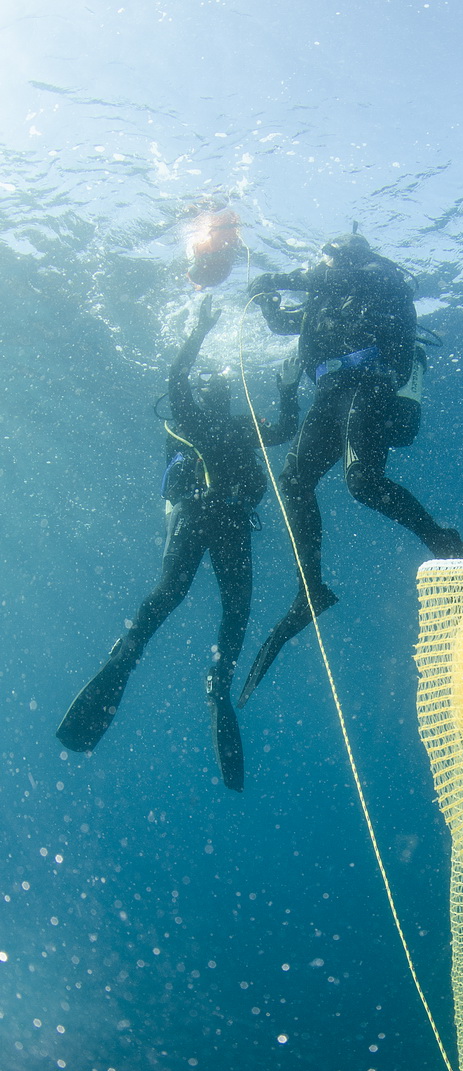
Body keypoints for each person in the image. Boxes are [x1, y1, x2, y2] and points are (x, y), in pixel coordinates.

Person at [56, 295, 299, 791]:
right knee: (231, 608)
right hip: (222, 519)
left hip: (202, 517)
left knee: (175, 595)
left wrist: (280, 383)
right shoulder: (207, 419)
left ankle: (130, 651)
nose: (222, 395)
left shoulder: (204, 418)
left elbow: (275, 429)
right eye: (220, 390)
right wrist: (285, 386)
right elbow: (279, 427)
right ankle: (216, 683)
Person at [238, 231, 463, 706]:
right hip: (329, 390)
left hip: (370, 381)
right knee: (294, 480)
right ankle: (311, 588)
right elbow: (287, 324)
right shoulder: (327, 294)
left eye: (324, 256)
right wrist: (266, 302)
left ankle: (441, 539)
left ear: (342, 255)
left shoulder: (372, 275)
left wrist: (277, 275)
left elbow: (320, 275)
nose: (318, 264)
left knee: (361, 481)